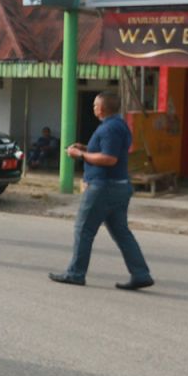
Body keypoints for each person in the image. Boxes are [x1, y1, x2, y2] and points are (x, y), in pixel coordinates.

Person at [49, 91, 155, 291]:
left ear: (103, 108)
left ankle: (75, 273)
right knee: (121, 232)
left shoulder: (110, 128)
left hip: (104, 186)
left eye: (95, 105)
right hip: (119, 186)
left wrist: (79, 154)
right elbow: (111, 151)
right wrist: (87, 148)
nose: (93, 108)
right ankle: (141, 274)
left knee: (84, 230)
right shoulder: (118, 125)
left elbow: (109, 159)